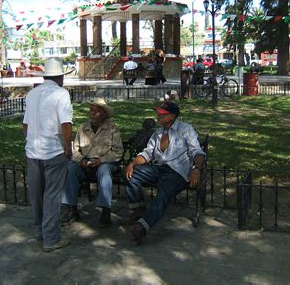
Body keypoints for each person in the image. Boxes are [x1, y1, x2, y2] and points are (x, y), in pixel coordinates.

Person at [121, 101, 206, 246]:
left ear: (172, 116)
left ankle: (141, 228)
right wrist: (132, 164)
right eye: (158, 113)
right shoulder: (158, 133)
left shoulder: (186, 129)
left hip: (178, 173)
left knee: (163, 193)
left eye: (161, 114)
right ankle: (138, 209)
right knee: (132, 174)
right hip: (160, 169)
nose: (158, 116)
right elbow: (147, 154)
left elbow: (197, 152)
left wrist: (196, 169)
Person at [22, 57, 74, 252]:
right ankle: (51, 238)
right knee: (52, 196)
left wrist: (29, 143)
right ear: (61, 77)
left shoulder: (32, 94)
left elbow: (25, 125)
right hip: (53, 151)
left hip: (33, 151)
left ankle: (40, 230)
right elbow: (66, 124)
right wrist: (68, 148)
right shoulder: (61, 94)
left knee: (37, 195)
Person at [61, 97, 123, 228]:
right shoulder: (83, 128)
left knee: (104, 171)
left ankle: (105, 209)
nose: (93, 113)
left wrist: (101, 160)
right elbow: (75, 150)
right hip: (86, 163)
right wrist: (81, 160)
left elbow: (117, 152)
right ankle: (70, 208)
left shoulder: (112, 129)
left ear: (104, 114)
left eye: (97, 111)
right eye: (91, 110)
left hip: (105, 163)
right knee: (71, 169)